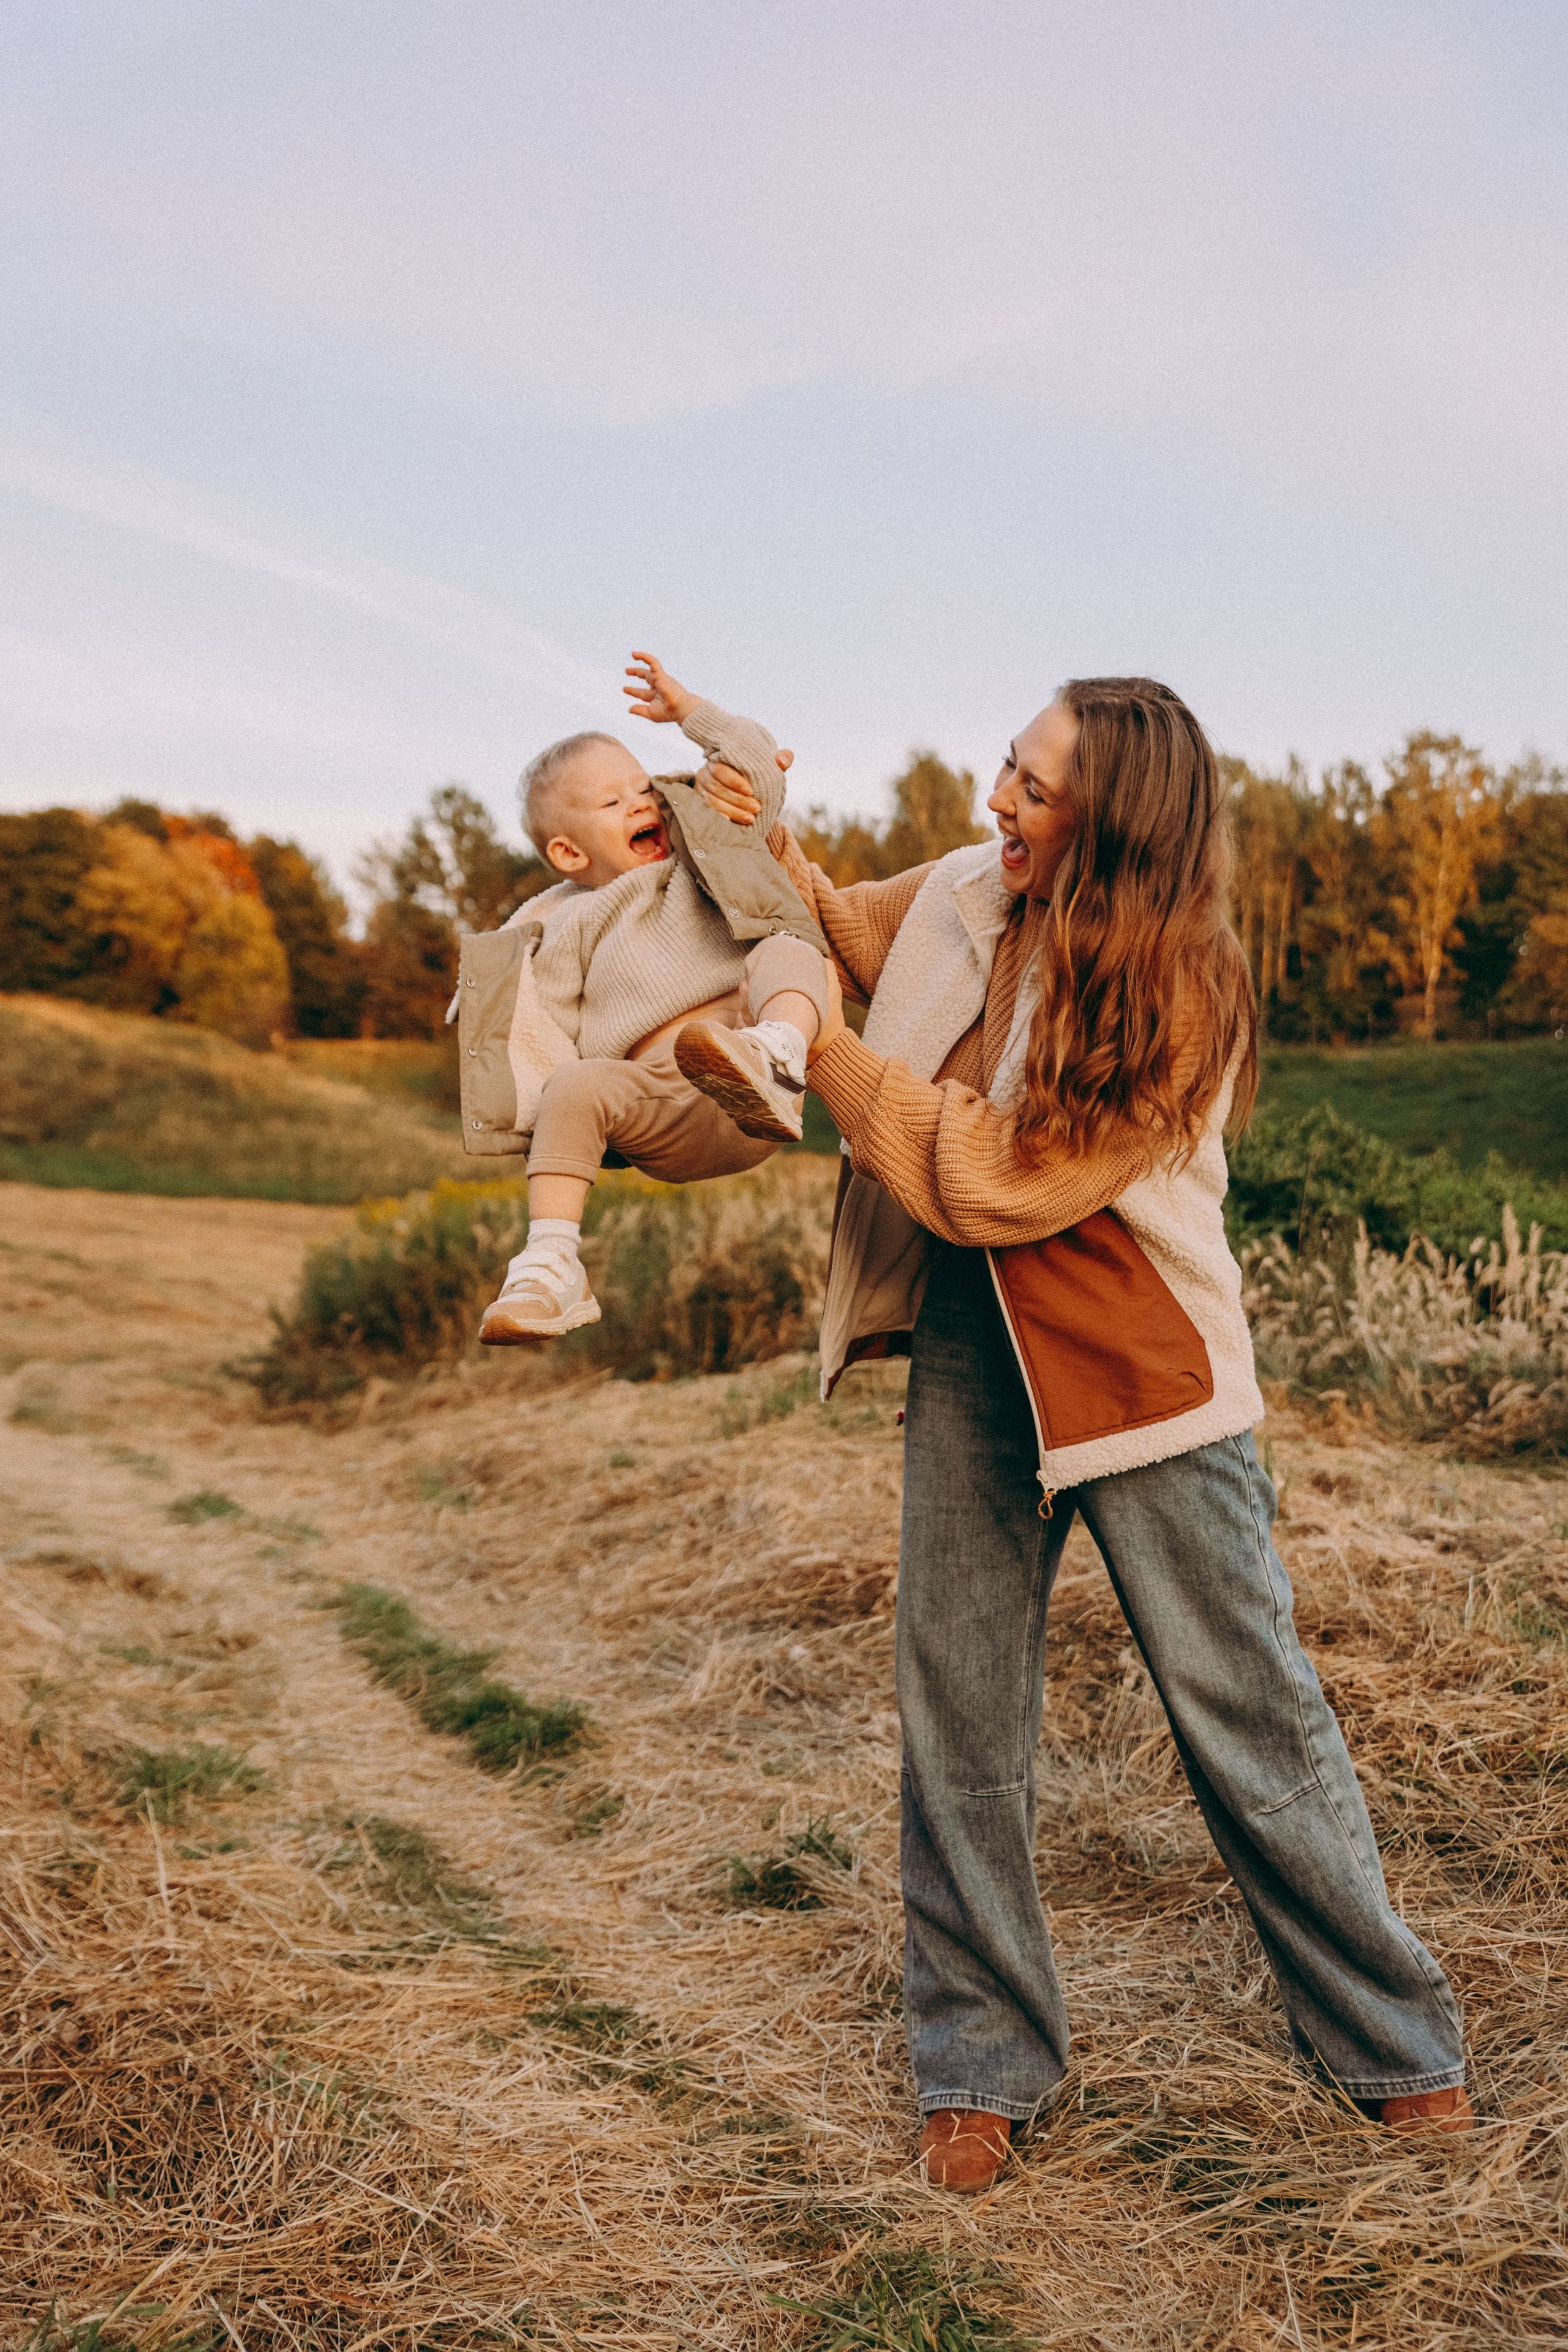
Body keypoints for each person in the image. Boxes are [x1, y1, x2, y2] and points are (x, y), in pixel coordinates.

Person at [684, 676, 1472, 2192]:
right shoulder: (978, 882)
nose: (1000, 800)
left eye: (1038, 790)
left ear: (1119, 823)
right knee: (957, 1709)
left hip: (1138, 1362)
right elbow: (854, 928)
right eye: (1006, 765)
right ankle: (974, 2059)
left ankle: (1392, 2040)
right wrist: (748, 827)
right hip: (980, 1344)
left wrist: (823, 1065)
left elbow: (986, 1177)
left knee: (1243, 1708)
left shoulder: (1181, 989)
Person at [476, 653, 831, 1343]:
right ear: (571, 855)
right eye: (613, 804)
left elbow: (758, 770)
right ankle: (550, 1265)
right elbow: (532, 1026)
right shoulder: (566, 922)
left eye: (642, 789)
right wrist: (487, 1004)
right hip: (658, 1102)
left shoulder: (700, 853)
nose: (642, 804)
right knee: (574, 1086)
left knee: (788, 945)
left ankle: (778, 1052)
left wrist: (691, 713)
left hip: (754, 1079)